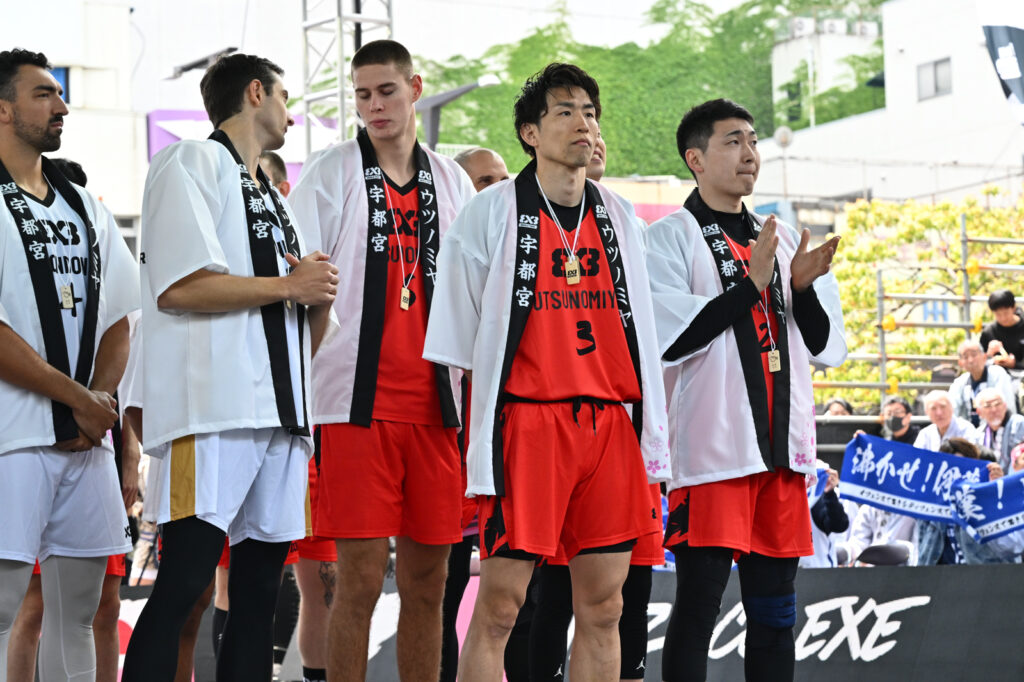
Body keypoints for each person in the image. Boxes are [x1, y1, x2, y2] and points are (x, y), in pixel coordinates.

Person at [424, 62, 670, 682]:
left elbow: (646, 332)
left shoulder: (622, 217)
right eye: (565, 111)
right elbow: (452, 345)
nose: (583, 123)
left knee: (605, 608)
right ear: (530, 133)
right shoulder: (488, 214)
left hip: (610, 425)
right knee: (502, 608)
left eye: (589, 112)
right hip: (528, 426)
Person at [122, 53, 337, 682]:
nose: (292, 115)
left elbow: (301, 330)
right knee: (185, 583)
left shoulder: (274, 198)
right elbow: (179, 286)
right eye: (286, 98)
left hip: (283, 416)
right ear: (255, 93)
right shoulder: (191, 161)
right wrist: (290, 285)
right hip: (213, 411)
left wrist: (318, 296)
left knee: (259, 595)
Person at [289, 39, 473, 681]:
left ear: (414, 88)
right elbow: (294, 270)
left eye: (386, 91)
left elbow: (474, 287)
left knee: (430, 582)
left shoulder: (451, 179)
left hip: (437, 404)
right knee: (359, 578)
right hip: (354, 403)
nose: (374, 105)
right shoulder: (332, 170)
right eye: (362, 95)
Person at [644, 98, 846, 682]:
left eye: (753, 141)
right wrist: (750, 286)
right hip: (713, 455)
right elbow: (670, 339)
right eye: (733, 141)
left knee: (776, 614)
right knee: (699, 606)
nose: (749, 153)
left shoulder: (785, 240)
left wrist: (799, 289)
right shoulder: (669, 238)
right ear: (695, 159)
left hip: (782, 456)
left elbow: (825, 347)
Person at [0, 48, 138, 679]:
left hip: (86, 444)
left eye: (59, 92)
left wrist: (96, 403)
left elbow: (117, 318)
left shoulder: (84, 204)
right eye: (43, 94)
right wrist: (82, 401)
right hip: (13, 438)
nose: (61, 105)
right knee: (4, 610)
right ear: (4, 109)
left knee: (81, 614)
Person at [526, 129, 663, 682]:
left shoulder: (628, 227)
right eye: (574, 118)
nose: (593, 138)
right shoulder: (522, 221)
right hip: (548, 428)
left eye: (598, 125)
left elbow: (651, 338)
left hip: (621, 437)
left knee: (620, 601)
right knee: (546, 596)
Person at [435, 146, 510, 682]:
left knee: (518, 605)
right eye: (485, 181)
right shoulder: (442, 264)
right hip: (447, 460)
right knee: (440, 598)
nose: (498, 189)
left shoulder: (520, 259)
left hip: (508, 458)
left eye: (503, 179)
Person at [915, 437, 1024, 564]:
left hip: (983, 574)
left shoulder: (997, 498)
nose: (955, 476)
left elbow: (1013, 547)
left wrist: (994, 494)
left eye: (962, 468)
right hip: (939, 575)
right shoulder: (930, 505)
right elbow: (922, 550)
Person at [950, 339, 1017, 427]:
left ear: (984, 357)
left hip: (998, 428)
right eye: (965, 357)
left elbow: (1007, 406)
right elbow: (952, 409)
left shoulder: (998, 374)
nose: (970, 360)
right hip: (969, 431)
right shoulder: (960, 382)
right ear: (960, 363)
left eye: (974, 355)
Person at [799, 465, 849, 569]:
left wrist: (829, 493)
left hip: (819, 570)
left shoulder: (822, 498)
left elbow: (839, 525)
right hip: (788, 570)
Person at [969, 387, 1024, 473]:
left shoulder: (1020, 424)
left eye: (997, 404)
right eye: (988, 406)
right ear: (979, 412)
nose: (994, 410)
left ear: (1005, 406)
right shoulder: (979, 434)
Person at [980, 290, 1024, 371]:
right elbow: (979, 365)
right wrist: (989, 354)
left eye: (1006, 313)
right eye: (998, 314)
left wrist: (1015, 364)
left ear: (1013, 308)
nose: (1003, 318)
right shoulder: (988, 332)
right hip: (996, 376)